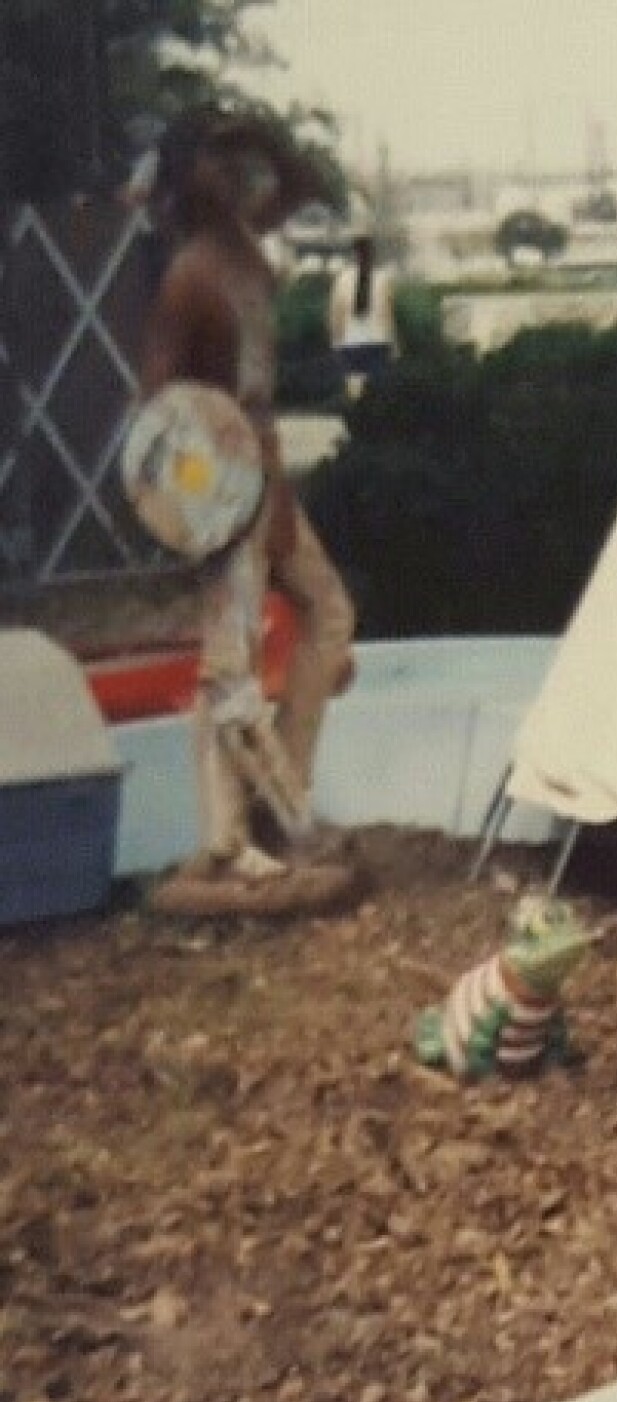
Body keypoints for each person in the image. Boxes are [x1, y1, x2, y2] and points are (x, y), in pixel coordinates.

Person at [134, 107, 358, 893]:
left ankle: (274, 802)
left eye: (231, 164)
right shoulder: (192, 271)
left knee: (326, 616)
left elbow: (304, 182)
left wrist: (261, 138)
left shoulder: (241, 244)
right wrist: (199, 505)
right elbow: (158, 406)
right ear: (183, 178)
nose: (229, 174)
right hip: (224, 478)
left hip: (262, 468)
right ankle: (240, 834)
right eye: (210, 162)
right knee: (229, 663)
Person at [327, 230, 396, 401]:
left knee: (354, 388)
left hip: (352, 341)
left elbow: (336, 312)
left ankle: (358, 415)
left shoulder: (343, 279)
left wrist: (335, 341)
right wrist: (394, 342)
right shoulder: (382, 278)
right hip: (377, 340)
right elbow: (388, 313)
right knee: (377, 389)